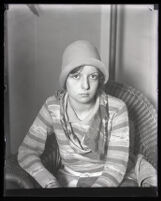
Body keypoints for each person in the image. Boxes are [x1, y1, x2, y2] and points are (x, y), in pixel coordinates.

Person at [17, 40, 157, 188]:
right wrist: (49, 183)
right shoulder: (53, 107)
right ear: (65, 80)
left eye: (93, 76)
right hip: (70, 178)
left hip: (115, 178)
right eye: (76, 76)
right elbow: (26, 151)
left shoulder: (117, 109)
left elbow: (115, 168)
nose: (85, 86)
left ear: (100, 80)